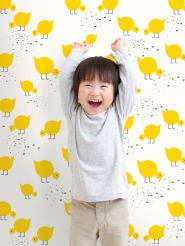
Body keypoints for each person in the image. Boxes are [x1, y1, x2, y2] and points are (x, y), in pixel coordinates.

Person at [59, 37, 137, 246]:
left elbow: (130, 82)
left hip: (115, 206)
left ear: (114, 92)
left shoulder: (117, 114)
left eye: (104, 86)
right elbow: (64, 80)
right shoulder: (74, 114)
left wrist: (120, 52)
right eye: (87, 85)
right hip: (82, 206)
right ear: (76, 93)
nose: (95, 92)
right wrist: (76, 54)